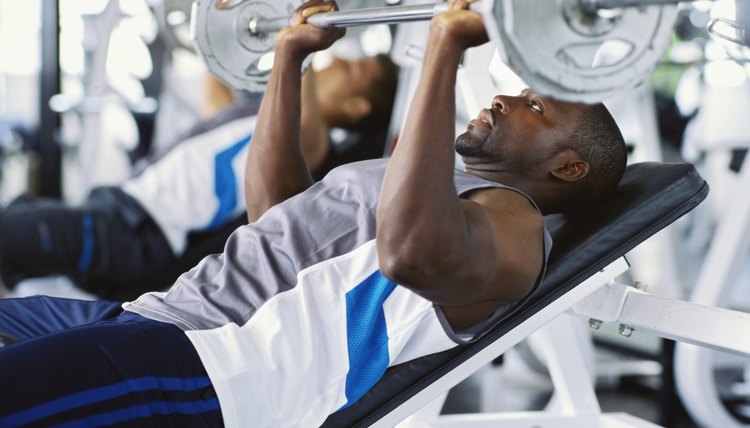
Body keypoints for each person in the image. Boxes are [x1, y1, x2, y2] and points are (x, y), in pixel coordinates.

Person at [0, 0, 627, 426]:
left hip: (206, 368)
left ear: (567, 167)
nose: (505, 98)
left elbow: (413, 254)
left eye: (534, 107)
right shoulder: (441, 183)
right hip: (151, 318)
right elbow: (275, 213)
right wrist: (289, 58)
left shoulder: (515, 223)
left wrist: (445, 48)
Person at [0, 52, 399, 300]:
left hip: (136, 232)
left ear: (357, 106)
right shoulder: (262, 120)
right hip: (117, 206)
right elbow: (217, 105)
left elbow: (305, 119)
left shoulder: (311, 148)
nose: (343, 60)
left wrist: (303, 46)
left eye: (356, 68)